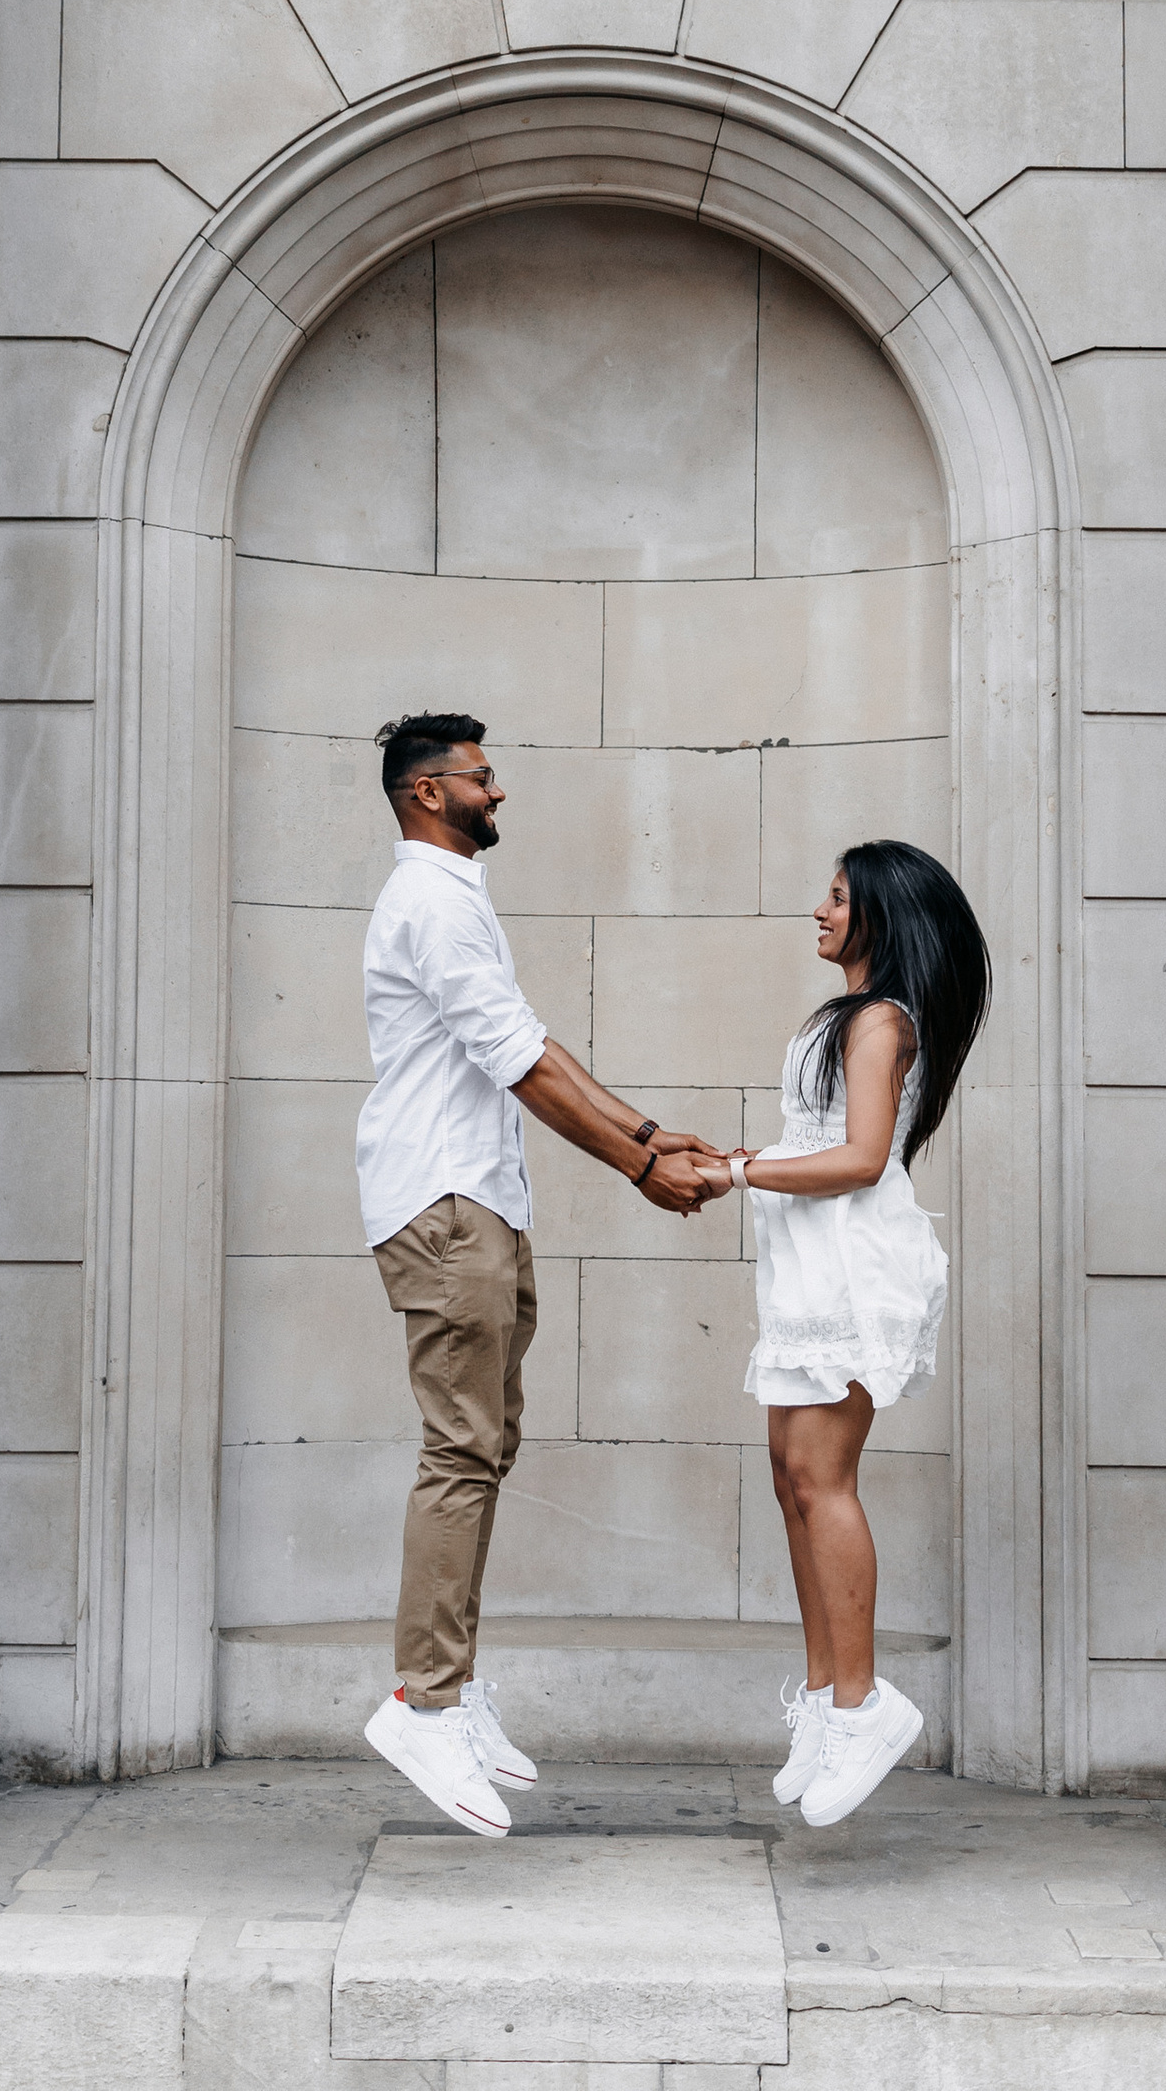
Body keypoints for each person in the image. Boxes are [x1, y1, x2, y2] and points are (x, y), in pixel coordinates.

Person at [357, 709, 733, 1837]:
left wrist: (650, 1133)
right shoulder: (427, 898)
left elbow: (531, 1040)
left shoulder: (454, 898)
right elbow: (517, 1061)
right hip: (446, 1206)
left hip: (482, 1203)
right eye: (481, 778)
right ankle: (421, 1702)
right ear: (429, 794)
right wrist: (636, 1166)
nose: (497, 792)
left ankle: (449, 1689)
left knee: (486, 1446)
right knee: (460, 1450)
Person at [724, 838, 991, 1832]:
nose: (819, 912)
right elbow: (819, 1143)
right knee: (792, 1474)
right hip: (808, 1262)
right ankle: (825, 1699)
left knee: (822, 1477)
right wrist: (749, 1161)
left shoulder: (879, 1021)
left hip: (850, 1265)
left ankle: (863, 1702)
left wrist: (740, 1173)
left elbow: (862, 1158)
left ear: (880, 912)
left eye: (836, 897)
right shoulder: (851, 1017)